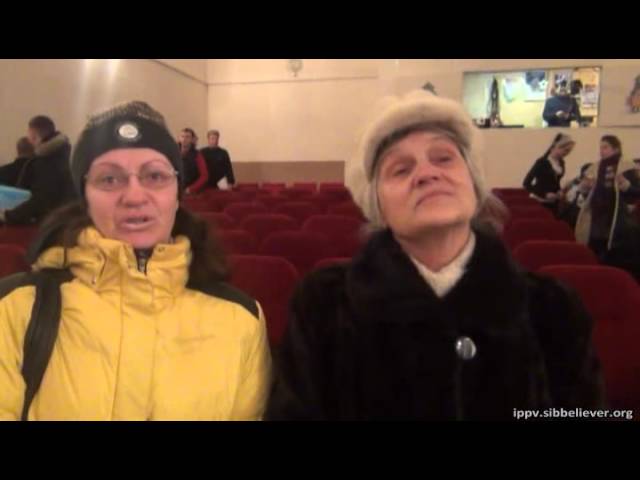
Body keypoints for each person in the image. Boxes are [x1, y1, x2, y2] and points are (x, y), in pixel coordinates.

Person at [265, 90, 604, 420]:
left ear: (474, 183)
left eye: (443, 158)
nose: (427, 174)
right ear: (377, 204)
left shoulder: (553, 308)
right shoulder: (323, 306)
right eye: (401, 169)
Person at [0, 101, 271, 420]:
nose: (134, 196)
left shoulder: (242, 320)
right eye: (109, 179)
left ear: (177, 194)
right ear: (84, 197)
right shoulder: (14, 309)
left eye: (155, 175)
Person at [575, 135, 640, 278]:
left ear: (616, 149)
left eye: (605, 147)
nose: (601, 151)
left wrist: (626, 186)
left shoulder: (627, 166)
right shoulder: (595, 167)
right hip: (597, 217)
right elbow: (585, 192)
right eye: (600, 147)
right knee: (596, 249)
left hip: (618, 219)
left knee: (616, 254)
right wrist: (584, 188)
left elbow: (636, 192)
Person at [0, 116, 76, 225]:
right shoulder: (63, 155)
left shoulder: (47, 161)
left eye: (30, 137)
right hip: (65, 220)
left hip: (53, 224)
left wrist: (9, 215)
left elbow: (41, 199)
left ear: (35, 137)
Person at [522, 133, 574, 215]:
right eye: (566, 150)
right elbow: (526, 183)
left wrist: (559, 191)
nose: (567, 153)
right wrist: (544, 194)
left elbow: (555, 182)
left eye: (569, 151)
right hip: (539, 201)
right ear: (556, 147)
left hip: (553, 202)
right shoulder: (542, 162)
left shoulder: (561, 163)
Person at [179, 128, 209, 195]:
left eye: (187, 137)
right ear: (179, 138)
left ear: (192, 139)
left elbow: (204, 176)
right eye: (182, 136)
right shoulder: (174, 153)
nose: (184, 139)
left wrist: (190, 189)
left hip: (191, 192)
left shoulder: (197, 155)